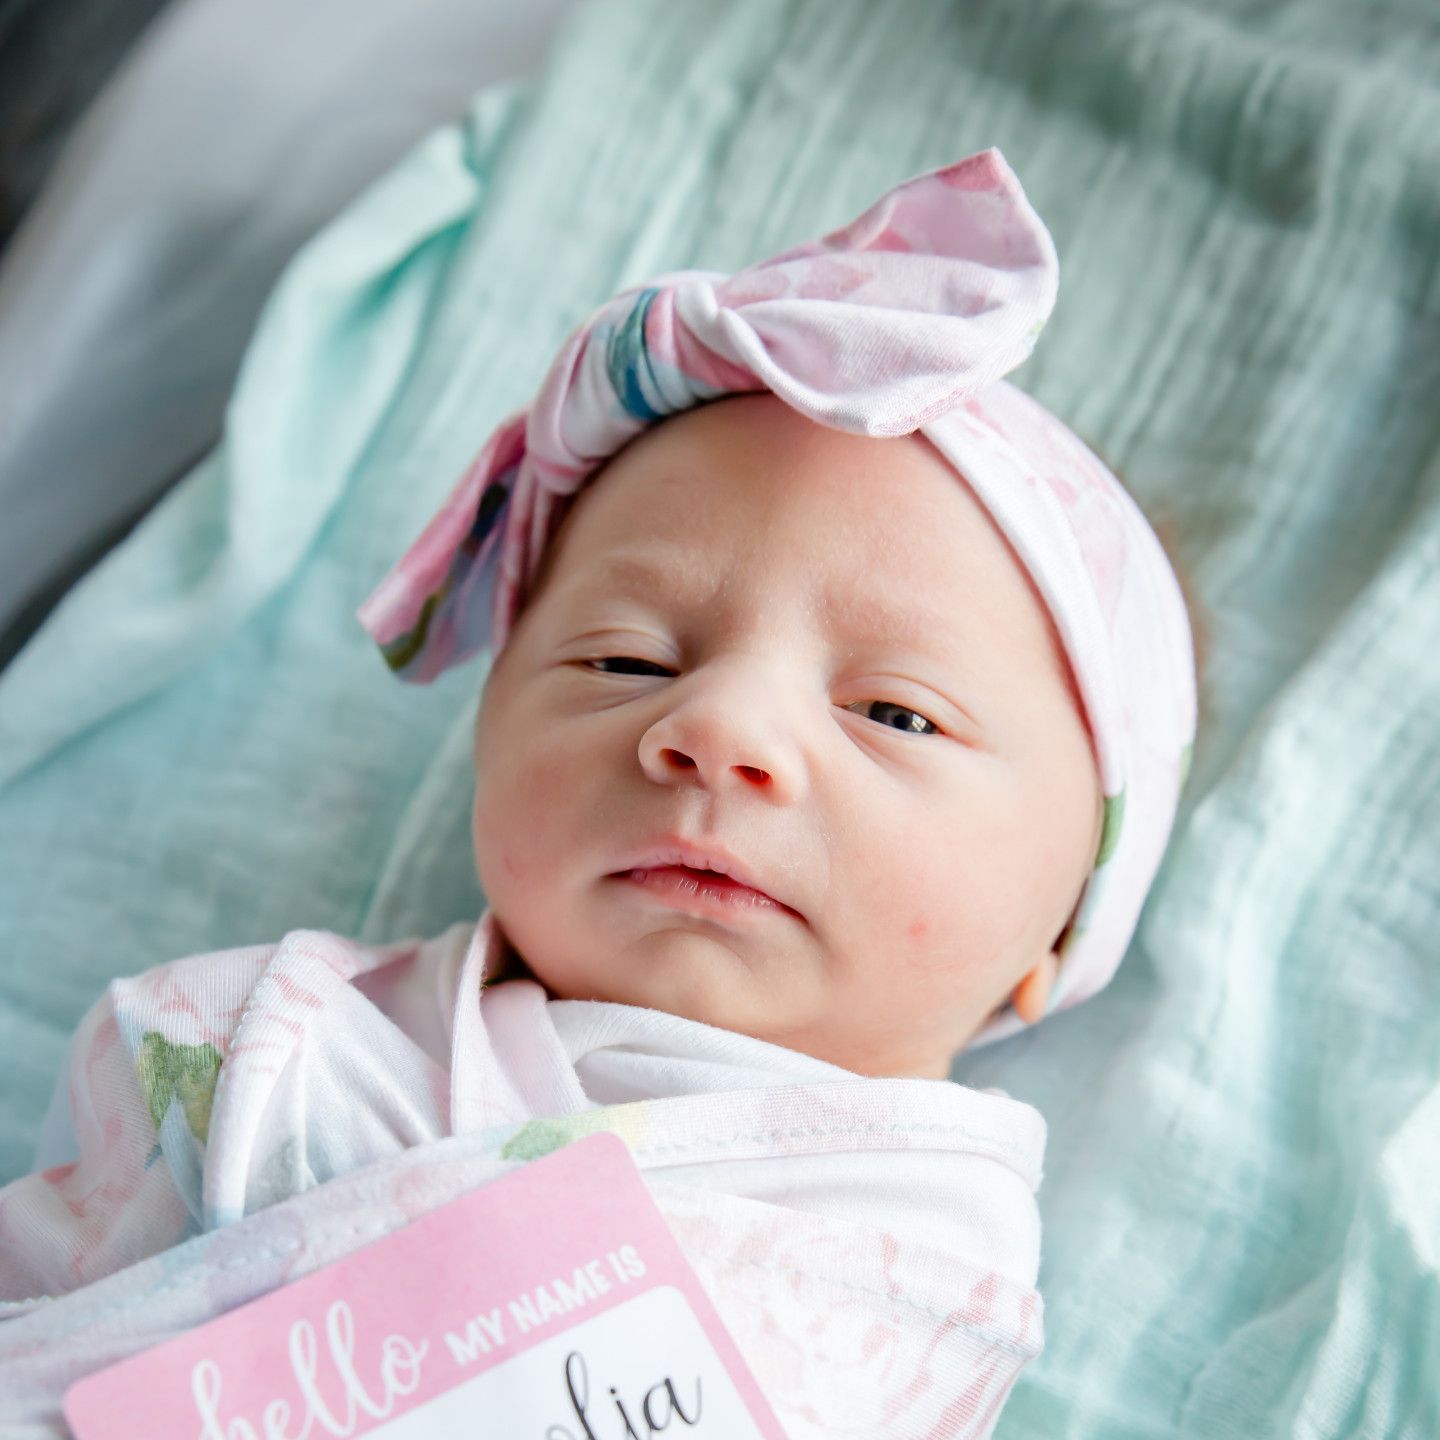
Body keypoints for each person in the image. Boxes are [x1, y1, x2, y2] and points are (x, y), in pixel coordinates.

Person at [0, 146, 1198, 1437]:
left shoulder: (920, 1269)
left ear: (1065, 927)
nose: (716, 727)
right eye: (627, 659)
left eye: (896, 713)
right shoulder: (261, 1056)